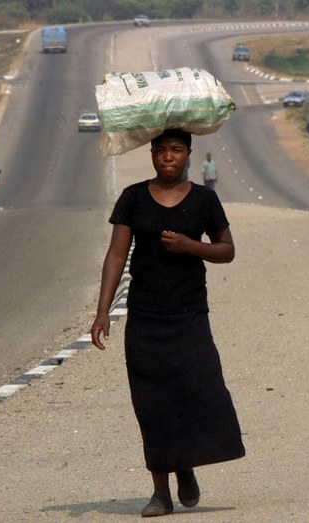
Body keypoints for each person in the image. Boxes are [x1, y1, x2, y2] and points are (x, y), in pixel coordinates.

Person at [91, 128, 245, 518]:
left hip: (190, 315)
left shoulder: (205, 200)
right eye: (160, 151)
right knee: (152, 404)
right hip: (145, 317)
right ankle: (161, 493)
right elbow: (115, 255)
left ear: (189, 154)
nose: (167, 157)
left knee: (199, 392)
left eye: (176, 150)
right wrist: (102, 310)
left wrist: (190, 246)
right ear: (152, 155)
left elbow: (226, 250)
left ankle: (186, 464)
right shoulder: (133, 198)